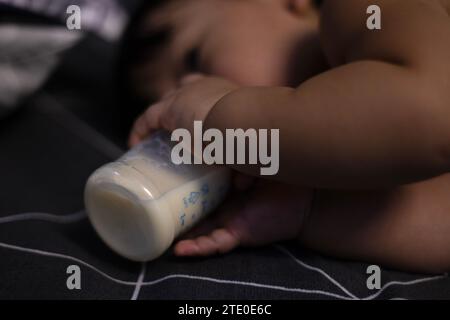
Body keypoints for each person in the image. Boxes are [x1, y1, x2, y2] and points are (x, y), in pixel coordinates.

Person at [127, 0, 450, 273]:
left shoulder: (357, 11)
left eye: (194, 60)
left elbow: (433, 111)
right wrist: (309, 209)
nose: (189, 99)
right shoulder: (381, 160)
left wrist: (217, 115)